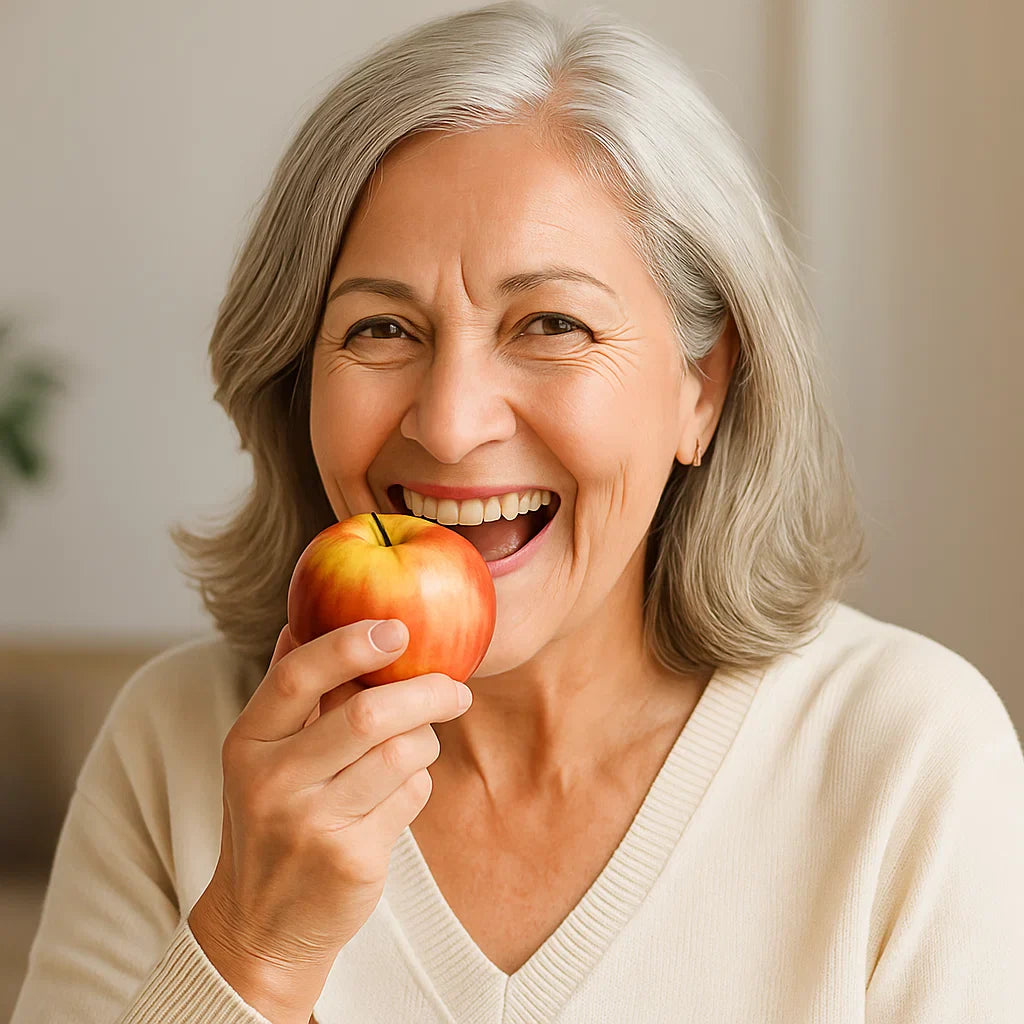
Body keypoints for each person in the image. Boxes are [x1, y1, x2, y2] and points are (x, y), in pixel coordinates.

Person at [13, 2, 1024, 1022]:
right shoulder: (178, 742)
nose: (449, 424)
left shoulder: (906, 757)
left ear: (700, 389)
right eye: (382, 328)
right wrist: (253, 946)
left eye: (549, 322)